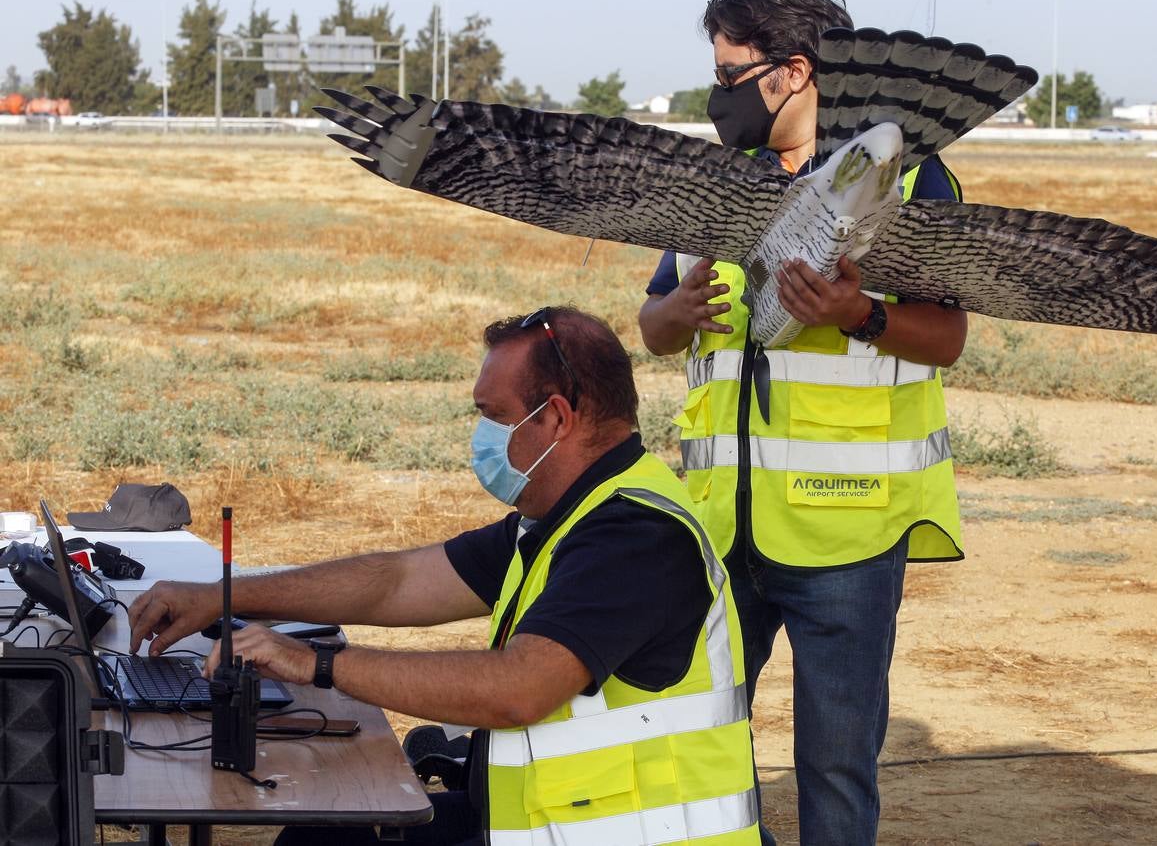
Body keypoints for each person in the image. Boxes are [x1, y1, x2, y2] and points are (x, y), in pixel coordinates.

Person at [129, 306, 759, 846]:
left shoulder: (634, 538)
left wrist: (315, 663)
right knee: (323, 831)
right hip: (550, 822)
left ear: (557, 418)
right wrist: (223, 598)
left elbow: (518, 690)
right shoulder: (564, 517)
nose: (483, 435)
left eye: (494, 414)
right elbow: (398, 581)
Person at [637, 0, 967, 846]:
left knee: (833, 769)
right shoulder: (711, 184)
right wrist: (668, 316)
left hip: (847, 538)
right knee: (699, 746)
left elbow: (945, 338)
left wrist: (860, 316)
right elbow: (657, 329)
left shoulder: (897, 179)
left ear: (791, 71)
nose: (717, 96)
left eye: (728, 74)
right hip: (716, 530)